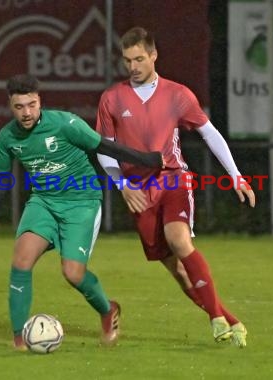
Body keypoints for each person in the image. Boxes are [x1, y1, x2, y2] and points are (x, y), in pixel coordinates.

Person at [95, 27, 256, 348]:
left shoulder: (177, 94)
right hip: (138, 190)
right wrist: (122, 185)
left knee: (179, 240)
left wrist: (235, 174)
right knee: (178, 272)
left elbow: (210, 133)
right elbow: (105, 148)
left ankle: (214, 319)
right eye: (128, 60)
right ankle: (228, 319)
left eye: (140, 58)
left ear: (154, 55)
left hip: (172, 178)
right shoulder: (111, 98)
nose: (134, 66)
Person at [0, 74, 164, 350]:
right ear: (10, 105)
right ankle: (20, 339)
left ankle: (107, 311)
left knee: (73, 274)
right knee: (21, 261)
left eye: (31, 105)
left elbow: (104, 145)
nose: (26, 112)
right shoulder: (8, 136)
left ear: (39, 101)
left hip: (81, 203)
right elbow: (0, 174)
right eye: (19, 107)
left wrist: (147, 159)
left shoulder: (65, 124)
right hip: (43, 202)